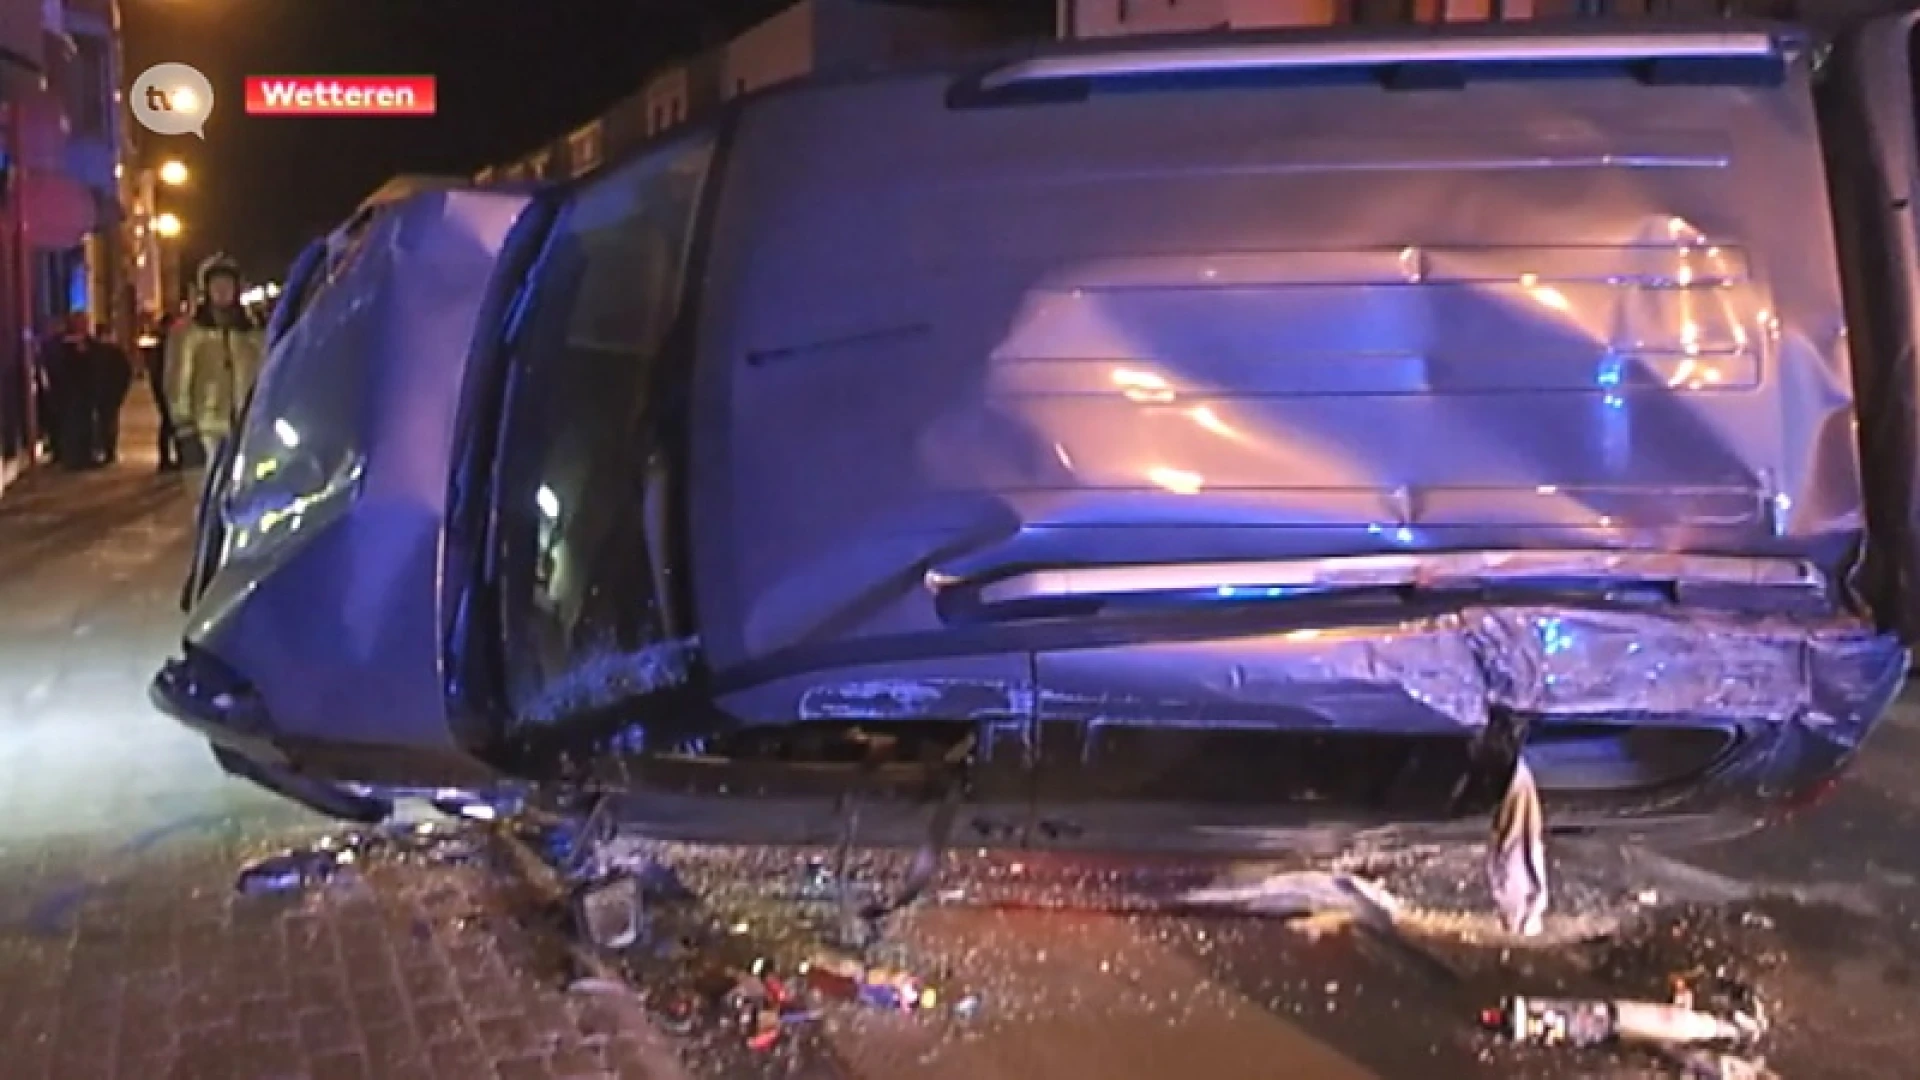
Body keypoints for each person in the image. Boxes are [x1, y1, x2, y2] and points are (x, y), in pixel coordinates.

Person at [165, 254, 266, 470]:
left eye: (228, 284)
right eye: (216, 285)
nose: (222, 290)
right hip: (206, 429)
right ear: (207, 289)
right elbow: (176, 383)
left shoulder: (252, 334)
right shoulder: (189, 333)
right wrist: (185, 429)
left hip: (248, 428)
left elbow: (266, 376)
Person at [38, 314, 98, 469]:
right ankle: (74, 457)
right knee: (72, 425)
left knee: (84, 424)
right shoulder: (62, 346)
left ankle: (84, 455)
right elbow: (60, 369)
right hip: (70, 394)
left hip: (84, 393)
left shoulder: (88, 343)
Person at [85, 324, 132, 465]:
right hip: (107, 393)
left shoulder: (100, 352)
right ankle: (107, 450)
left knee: (105, 421)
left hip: (105, 393)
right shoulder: (109, 352)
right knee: (107, 422)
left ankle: (106, 450)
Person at [139, 316, 179, 471]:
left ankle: (169, 457)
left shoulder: (166, 344)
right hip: (165, 388)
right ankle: (166, 458)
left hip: (165, 387)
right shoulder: (165, 345)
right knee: (169, 423)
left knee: (170, 423)